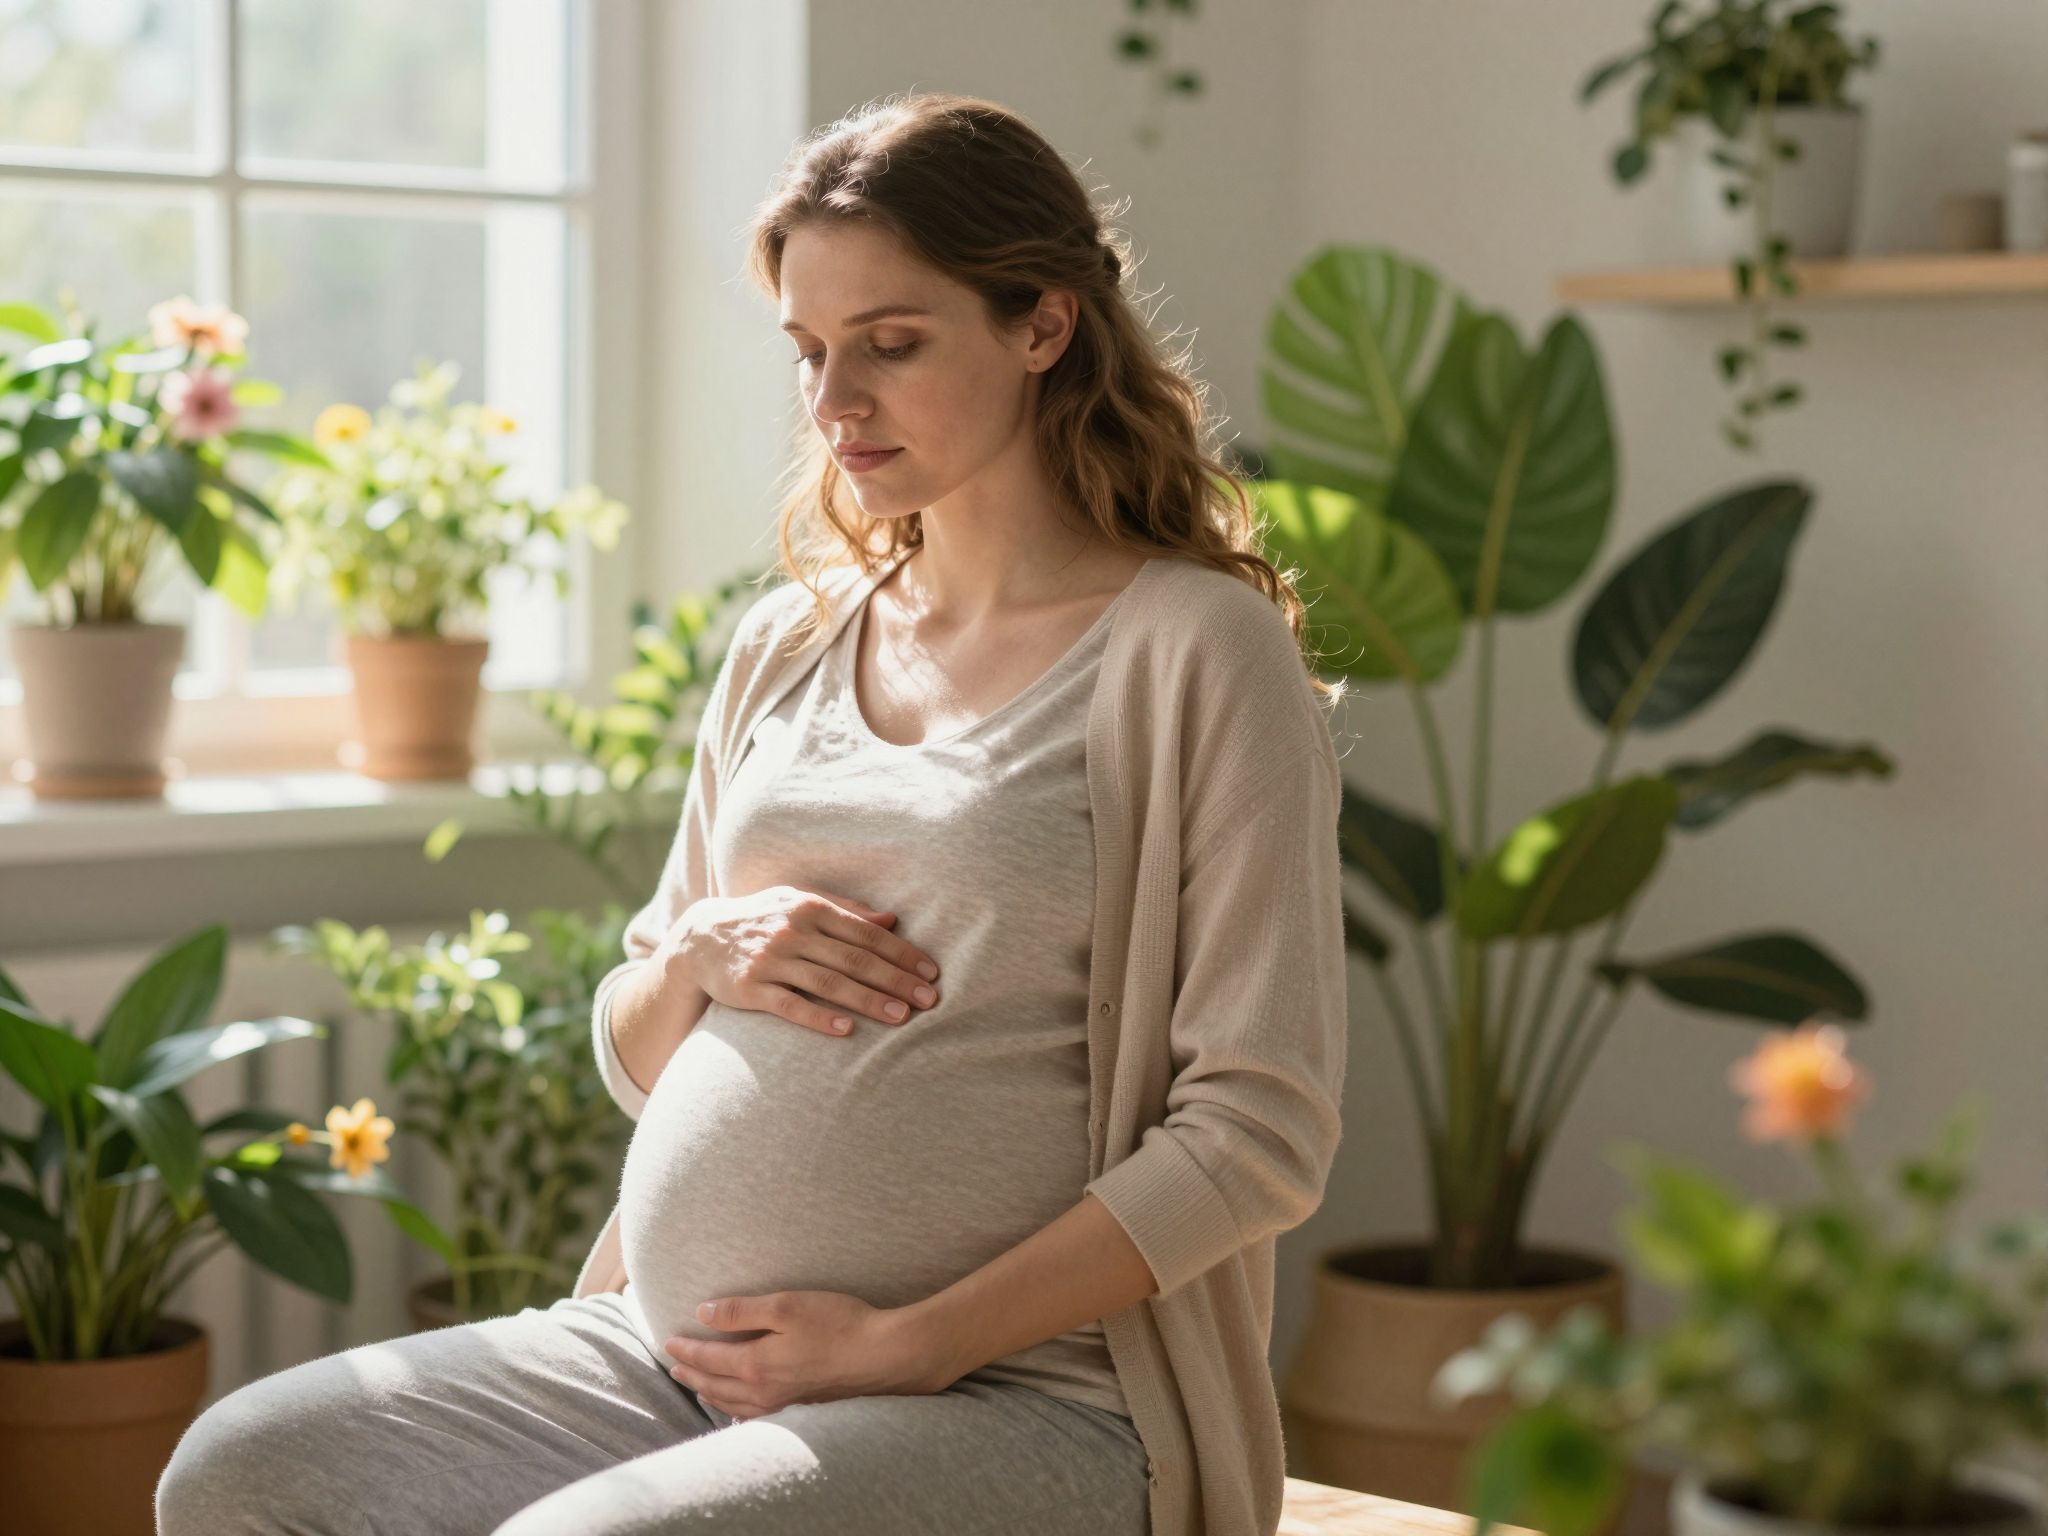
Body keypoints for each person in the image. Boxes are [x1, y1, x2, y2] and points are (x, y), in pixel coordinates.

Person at [157, 90, 1349, 1536]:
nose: (837, 403)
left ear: (1042, 323)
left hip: (1030, 1399)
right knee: (240, 1471)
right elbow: (637, 1046)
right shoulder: (787, 645)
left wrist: (914, 1342)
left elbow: (1257, 1133)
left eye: (892, 345)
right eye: (810, 353)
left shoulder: (1193, 651)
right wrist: (696, 959)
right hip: (672, 1360)